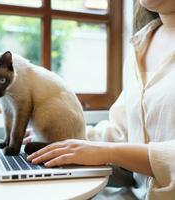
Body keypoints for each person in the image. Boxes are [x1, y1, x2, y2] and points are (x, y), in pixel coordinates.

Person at [26, 0, 175, 199]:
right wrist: (61, 138)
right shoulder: (141, 43)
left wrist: (108, 152)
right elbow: (122, 131)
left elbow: (113, 148)